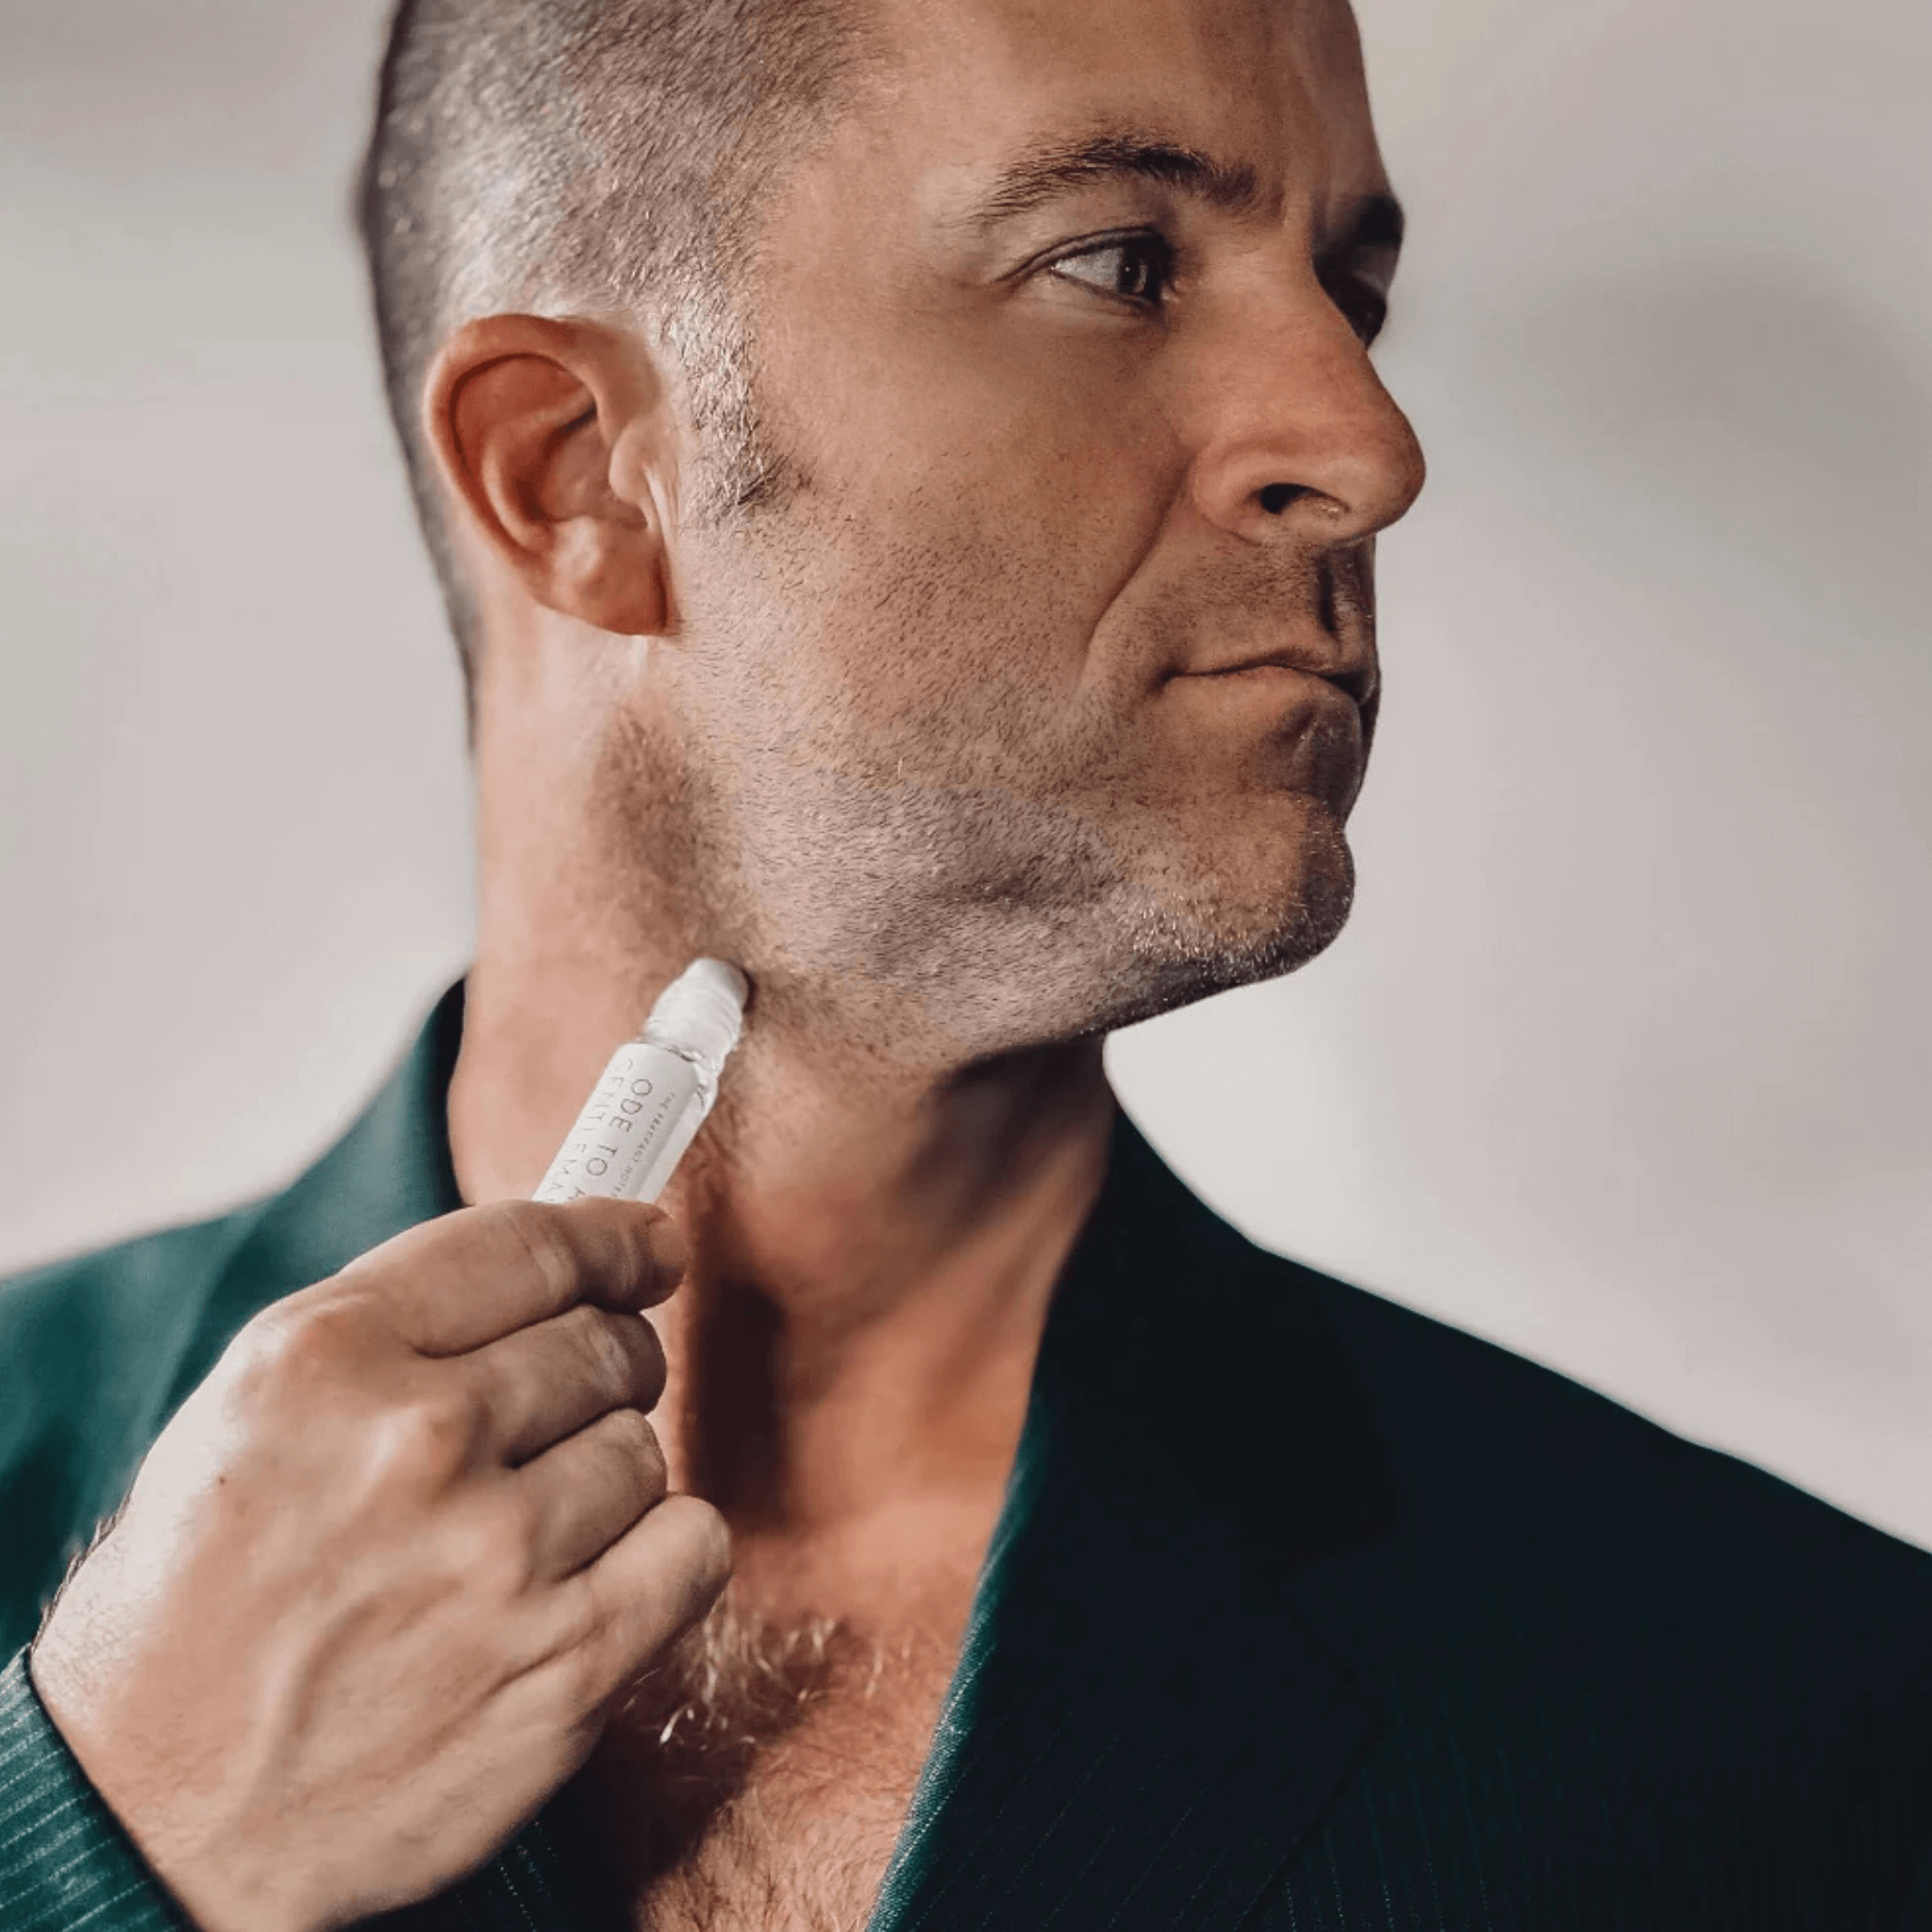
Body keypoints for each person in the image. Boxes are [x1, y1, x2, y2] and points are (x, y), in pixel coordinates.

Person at [2, 0, 1927, 1924]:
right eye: (1119, 265)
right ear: (579, 474)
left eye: (1353, 292)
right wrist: (100, 1838)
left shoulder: (1794, 1728)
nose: (1363, 443)